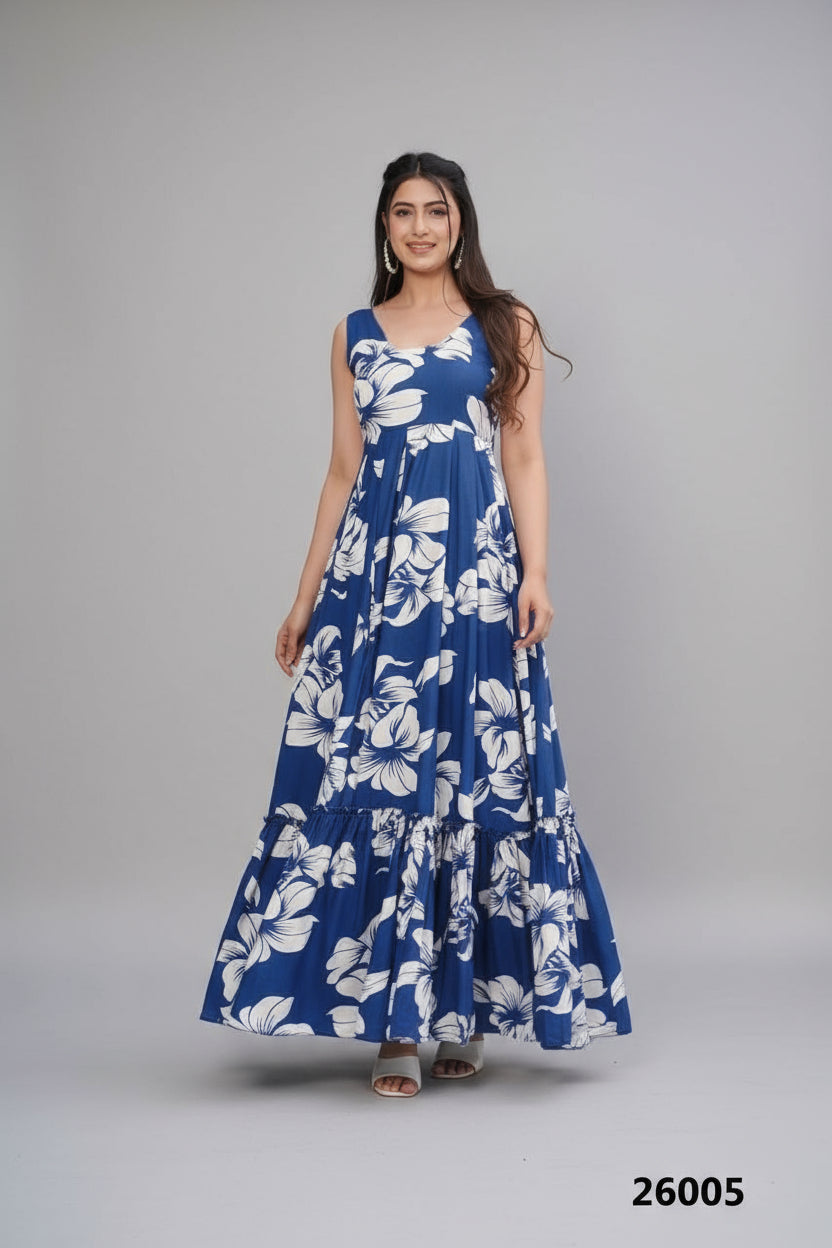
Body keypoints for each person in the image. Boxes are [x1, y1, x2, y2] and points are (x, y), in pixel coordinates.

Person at [199, 151, 632, 1098]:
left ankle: (462, 1016)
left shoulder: (502, 325)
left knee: (475, 778)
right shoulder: (355, 333)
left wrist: (539, 572)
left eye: (437, 211)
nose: (422, 227)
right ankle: (394, 1029)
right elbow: (341, 472)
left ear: (461, 222)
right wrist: (305, 593)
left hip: (476, 582)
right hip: (378, 589)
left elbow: (524, 457)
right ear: (385, 228)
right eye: (404, 213)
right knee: (382, 774)